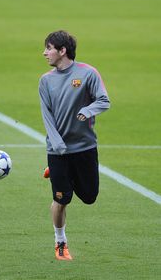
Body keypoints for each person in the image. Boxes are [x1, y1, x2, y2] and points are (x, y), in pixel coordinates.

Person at [39, 30, 110, 260]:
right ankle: (60, 242)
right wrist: (56, 143)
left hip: (85, 148)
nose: (44, 53)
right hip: (57, 150)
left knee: (89, 196)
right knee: (62, 198)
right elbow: (46, 116)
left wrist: (87, 110)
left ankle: (63, 175)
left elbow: (104, 100)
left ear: (62, 51)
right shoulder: (45, 80)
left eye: (48, 48)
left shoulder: (88, 73)